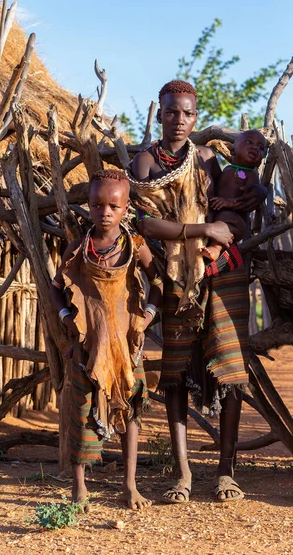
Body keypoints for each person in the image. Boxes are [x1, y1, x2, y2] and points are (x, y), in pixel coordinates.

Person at [127, 80, 266, 503]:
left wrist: (220, 234)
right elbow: (146, 225)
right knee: (175, 373)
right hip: (175, 276)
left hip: (221, 272)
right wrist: (201, 229)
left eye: (187, 113)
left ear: (195, 117)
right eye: (172, 112)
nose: (179, 120)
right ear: (160, 112)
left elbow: (234, 204)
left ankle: (226, 472)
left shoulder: (207, 159)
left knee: (230, 369)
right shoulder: (145, 164)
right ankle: (184, 473)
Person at [50, 169, 162, 511]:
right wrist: (67, 318)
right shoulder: (79, 248)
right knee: (81, 411)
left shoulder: (135, 246)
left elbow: (158, 279)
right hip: (88, 343)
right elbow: (57, 288)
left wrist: (149, 315)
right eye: (97, 205)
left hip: (128, 344)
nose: (105, 212)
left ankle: (129, 485)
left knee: (131, 409)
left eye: (113, 205)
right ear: (89, 205)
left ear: (126, 208)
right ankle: (79, 487)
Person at [202, 129, 266, 261]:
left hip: (235, 221)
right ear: (232, 150)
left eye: (260, 147)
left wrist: (229, 202)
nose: (254, 147)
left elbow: (248, 203)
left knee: (226, 217)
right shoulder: (227, 169)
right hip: (218, 215)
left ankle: (216, 248)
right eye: (249, 142)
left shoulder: (251, 175)